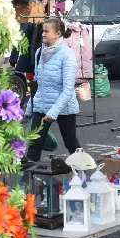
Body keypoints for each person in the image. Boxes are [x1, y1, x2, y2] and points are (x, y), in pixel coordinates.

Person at [25, 17, 80, 163]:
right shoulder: (39, 53)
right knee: (34, 143)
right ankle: (27, 181)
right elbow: (39, 84)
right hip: (42, 106)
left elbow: (68, 89)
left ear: (58, 33)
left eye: (46, 31)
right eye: (42, 31)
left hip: (63, 107)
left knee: (71, 143)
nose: (42, 34)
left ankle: (84, 173)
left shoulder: (67, 55)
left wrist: (54, 112)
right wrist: (29, 108)